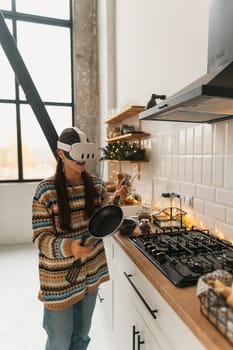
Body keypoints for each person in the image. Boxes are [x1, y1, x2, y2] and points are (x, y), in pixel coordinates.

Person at [32, 127, 126, 350]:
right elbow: (40, 238)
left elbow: (102, 220)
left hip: (91, 272)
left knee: (82, 336)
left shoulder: (96, 185)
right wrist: (69, 246)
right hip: (59, 281)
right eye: (77, 153)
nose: (82, 160)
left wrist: (115, 201)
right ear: (61, 154)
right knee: (59, 342)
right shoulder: (45, 191)